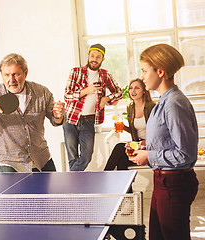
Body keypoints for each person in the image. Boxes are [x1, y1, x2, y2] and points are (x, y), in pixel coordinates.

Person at [132, 44, 199, 240]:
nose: (142, 76)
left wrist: (149, 156)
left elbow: (185, 155)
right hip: (163, 181)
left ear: (160, 71)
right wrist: (145, 146)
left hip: (173, 184)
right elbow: (167, 138)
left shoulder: (174, 103)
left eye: (144, 71)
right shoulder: (163, 101)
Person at [0, 53, 65, 172]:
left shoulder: (42, 93)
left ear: (25, 73)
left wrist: (58, 115)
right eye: (6, 75)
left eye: (15, 74)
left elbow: (56, 121)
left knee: (53, 191)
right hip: (11, 164)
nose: (11, 80)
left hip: (42, 159)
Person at [63, 43, 123, 171]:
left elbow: (119, 93)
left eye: (98, 57)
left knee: (86, 156)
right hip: (70, 119)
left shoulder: (105, 75)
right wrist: (87, 90)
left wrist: (106, 99)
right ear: (88, 56)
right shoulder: (76, 71)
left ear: (103, 59)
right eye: (92, 56)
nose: (94, 59)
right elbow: (67, 96)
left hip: (89, 121)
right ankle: (75, 187)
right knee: (72, 158)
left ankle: (70, 179)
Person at [104, 78, 155, 171]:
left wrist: (146, 141)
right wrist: (123, 128)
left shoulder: (152, 106)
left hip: (150, 146)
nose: (133, 91)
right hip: (137, 144)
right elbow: (134, 130)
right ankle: (126, 185)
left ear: (144, 91)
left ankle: (104, 176)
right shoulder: (130, 107)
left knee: (119, 147)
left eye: (137, 88)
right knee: (121, 161)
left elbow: (159, 131)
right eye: (131, 88)